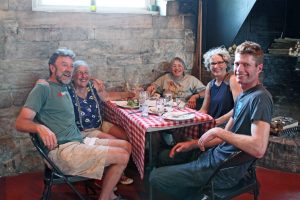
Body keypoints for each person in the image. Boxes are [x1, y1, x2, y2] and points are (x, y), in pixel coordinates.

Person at [149, 41, 273, 200]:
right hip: (212, 158)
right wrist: (194, 143)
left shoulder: (260, 98)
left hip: (220, 171)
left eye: (246, 65)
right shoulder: (243, 95)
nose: (239, 69)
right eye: (237, 64)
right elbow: (226, 133)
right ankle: (194, 192)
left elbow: (258, 148)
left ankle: (197, 193)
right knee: (165, 156)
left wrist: (217, 129)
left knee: (155, 177)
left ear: (259, 68)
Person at [15, 48, 131, 200]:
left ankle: (109, 194)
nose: (69, 70)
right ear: (52, 67)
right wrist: (39, 127)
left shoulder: (65, 86)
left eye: (71, 66)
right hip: (63, 151)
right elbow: (20, 122)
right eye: (64, 65)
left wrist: (94, 80)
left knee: (126, 146)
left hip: (79, 141)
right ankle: (105, 198)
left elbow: (83, 79)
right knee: (122, 156)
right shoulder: (43, 88)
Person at [68, 60, 134, 184]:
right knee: (115, 142)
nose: (83, 76)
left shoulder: (93, 86)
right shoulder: (67, 90)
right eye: (79, 73)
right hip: (86, 131)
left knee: (125, 136)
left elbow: (107, 96)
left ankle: (116, 171)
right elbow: (53, 83)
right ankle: (112, 176)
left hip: (100, 124)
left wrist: (129, 94)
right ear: (73, 75)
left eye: (86, 73)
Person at [200, 46, 242, 127]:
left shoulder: (232, 80)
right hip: (212, 124)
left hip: (228, 126)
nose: (216, 66)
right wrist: (189, 117)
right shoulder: (210, 85)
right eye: (213, 63)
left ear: (226, 64)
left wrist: (218, 121)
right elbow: (204, 110)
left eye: (220, 62)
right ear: (209, 66)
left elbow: (240, 107)